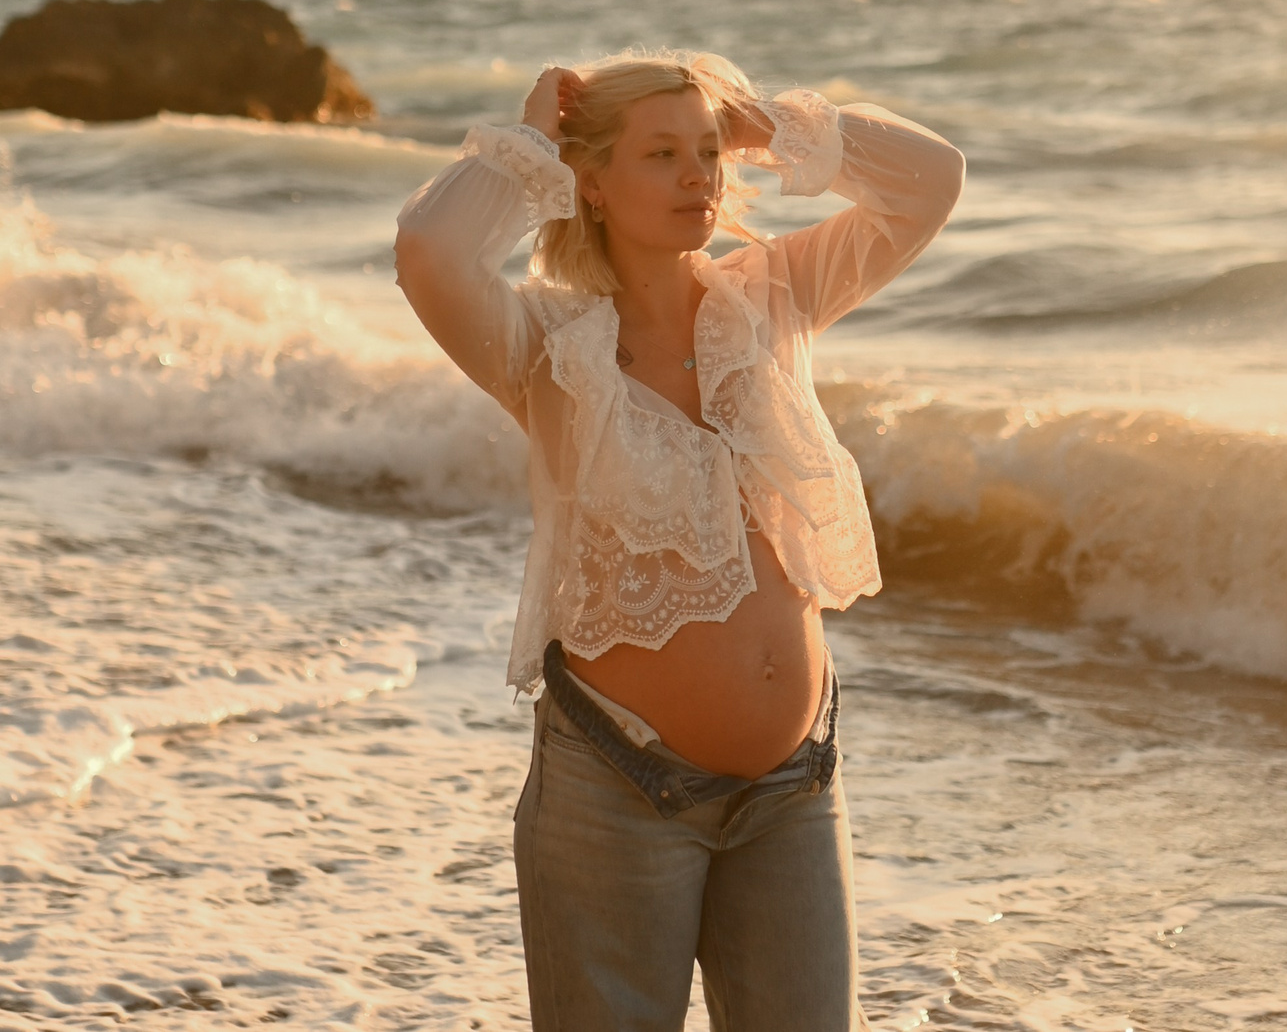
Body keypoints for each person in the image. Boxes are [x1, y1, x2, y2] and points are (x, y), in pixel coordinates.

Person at [393, 50, 964, 1030]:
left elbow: (931, 182)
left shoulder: (773, 298)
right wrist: (528, 143)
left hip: (794, 788)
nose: (697, 175)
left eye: (707, 154)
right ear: (592, 186)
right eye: (661, 154)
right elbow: (430, 254)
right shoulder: (542, 345)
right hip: (617, 791)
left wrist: (758, 124)